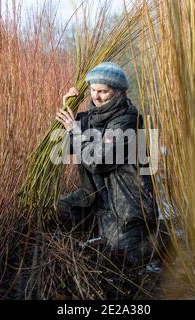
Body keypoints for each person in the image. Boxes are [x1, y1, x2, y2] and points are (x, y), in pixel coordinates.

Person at [55, 61, 158, 267]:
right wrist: (69, 111)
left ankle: (154, 239)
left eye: (103, 91)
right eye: (93, 90)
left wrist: (74, 131)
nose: (96, 96)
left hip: (127, 209)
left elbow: (97, 161)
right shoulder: (89, 118)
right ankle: (96, 238)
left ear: (118, 93)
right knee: (60, 209)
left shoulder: (127, 121)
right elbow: (65, 149)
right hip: (95, 201)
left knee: (124, 262)